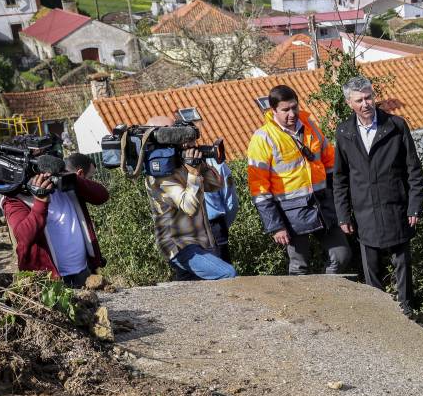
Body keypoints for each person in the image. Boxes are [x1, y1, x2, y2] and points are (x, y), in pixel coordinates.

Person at [332, 76, 423, 315]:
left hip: (396, 206)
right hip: (364, 211)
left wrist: (414, 206)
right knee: (370, 267)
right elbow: (340, 178)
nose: (366, 104)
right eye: (359, 100)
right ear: (349, 103)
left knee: (402, 264)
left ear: (375, 97)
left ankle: (406, 310)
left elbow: (414, 170)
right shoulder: (344, 133)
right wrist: (343, 215)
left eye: (368, 97)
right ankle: (380, 314)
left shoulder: (396, 126)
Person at [247, 84, 354, 276]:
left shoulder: (310, 126)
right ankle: (302, 306)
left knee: (341, 256)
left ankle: (327, 294)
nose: (292, 113)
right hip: (290, 213)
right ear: (273, 111)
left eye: (294, 107)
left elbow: (330, 162)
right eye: (285, 110)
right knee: (299, 268)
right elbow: (259, 188)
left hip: (322, 205)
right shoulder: (262, 138)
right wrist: (276, 226)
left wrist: (338, 199)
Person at [143, 115, 236, 281]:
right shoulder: (159, 176)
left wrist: (199, 162)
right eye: (174, 132)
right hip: (180, 246)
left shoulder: (181, 164)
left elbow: (215, 185)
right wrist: (193, 172)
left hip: (202, 241)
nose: (180, 136)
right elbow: (189, 207)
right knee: (227, 273)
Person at [3, 156, 111, 288]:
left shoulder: (65, 184)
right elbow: (24, 236)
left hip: (84, 272)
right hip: (50, 281)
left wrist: (71, 177)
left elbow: (102, 196)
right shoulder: (15, 199)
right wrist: (40, 202)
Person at [203, 159, 238, 263]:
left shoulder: (216, 164)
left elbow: (231, 203)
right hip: (211, 227)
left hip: (214, 228)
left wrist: (222, 226)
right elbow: (231, 203)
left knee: (223, 275)